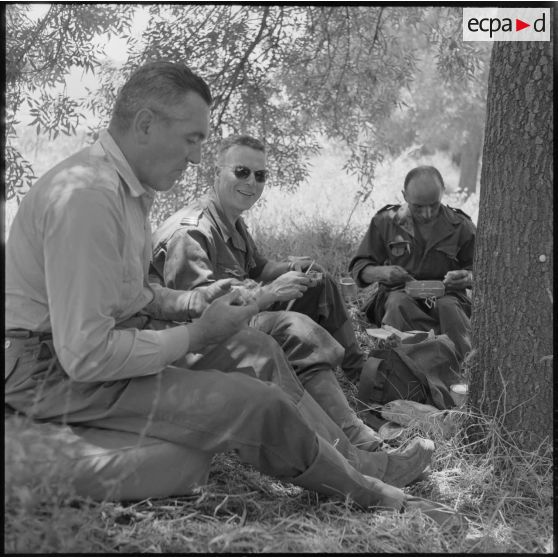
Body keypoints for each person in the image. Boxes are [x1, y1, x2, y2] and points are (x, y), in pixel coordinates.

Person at [5, 61, 444, 517]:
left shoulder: (124, 191)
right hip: (52, 373)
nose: (196, 157)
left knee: (254, 348)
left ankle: (357, 459)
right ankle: (373, 493)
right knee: (254, 404)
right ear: (145, 124)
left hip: (93, 353)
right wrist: (196, 334)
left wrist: (195, 301)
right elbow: (86, 354)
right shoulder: (90, 199)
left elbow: (129, 296)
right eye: (192, 139)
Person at [151, 136, 378, 450]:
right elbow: (200, 314)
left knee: (318, 280)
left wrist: (292, 267)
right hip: (194, 344)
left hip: (235, 318)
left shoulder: (230, 221)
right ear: (215, 174)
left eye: (260, 175)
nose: (252, 182)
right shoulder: (192, 232)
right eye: (241, 172)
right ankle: (351, 436)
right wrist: (269, 294)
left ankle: (357, 373)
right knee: (292, 328)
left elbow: (257, 267)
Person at [349, 166, 476, 361]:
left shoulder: (461, 225)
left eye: (434, 205)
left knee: (449, 308)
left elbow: (483, 273)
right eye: (418, 207)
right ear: (404, 196)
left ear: (443, 192)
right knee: (398, 305)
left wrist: (466, 278)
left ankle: (462, 370)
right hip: (399, 294)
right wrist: (382, 273)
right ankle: (402, 366)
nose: (427, 213)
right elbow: (359, 269)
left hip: (447, 296)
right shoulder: (386, 222)